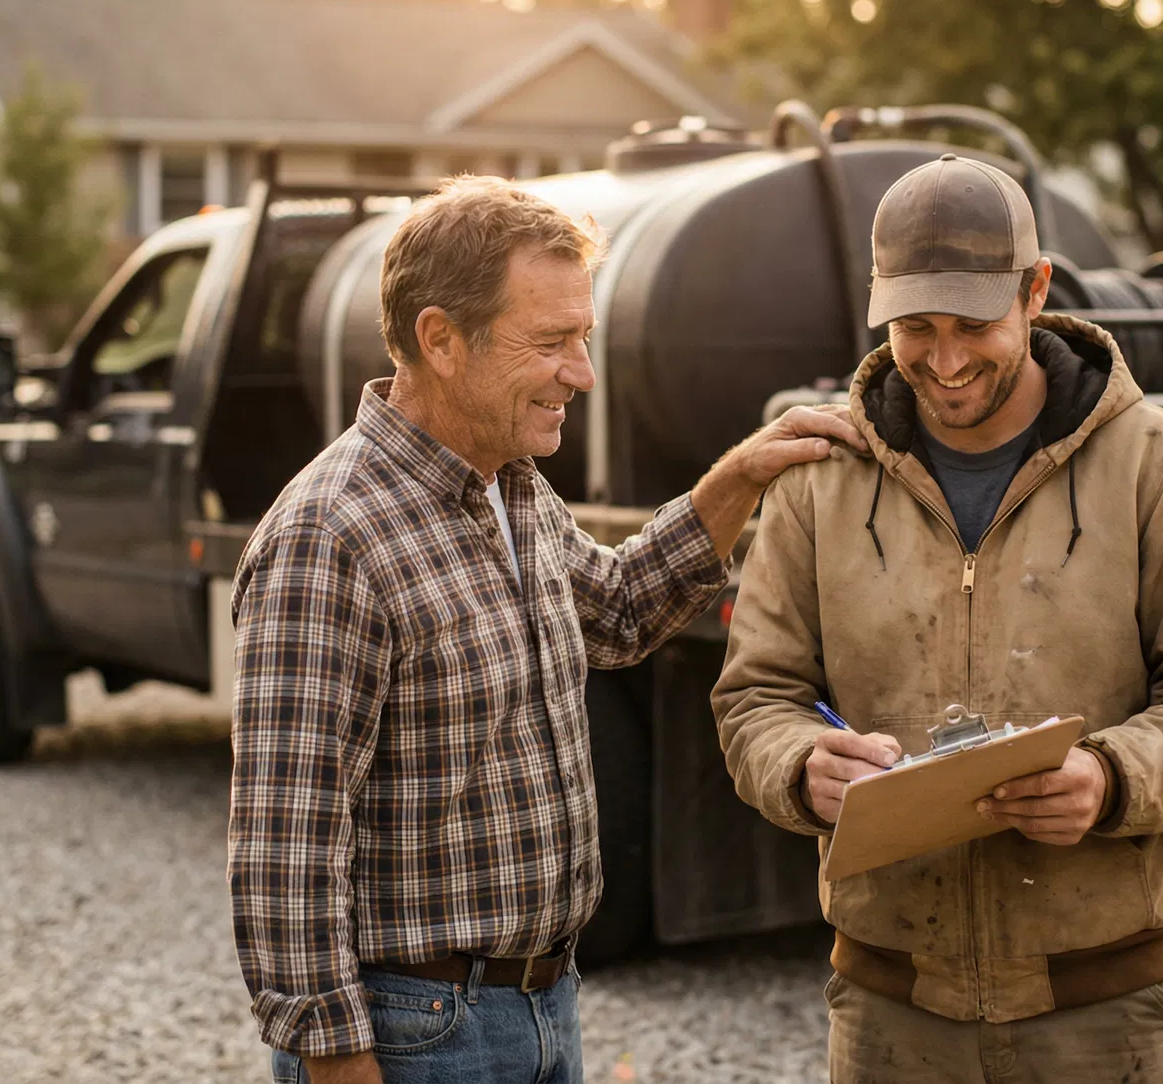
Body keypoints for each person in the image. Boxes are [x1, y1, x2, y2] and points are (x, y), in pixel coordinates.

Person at [229, 176, 862, 1084]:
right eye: (552, 342)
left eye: (586, 339)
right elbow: (284, 848)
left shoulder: (509, 482)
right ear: (440, 339)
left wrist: (739, 479)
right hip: (419, 1034)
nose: (584, 373)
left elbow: (619, 611)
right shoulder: (330, 536)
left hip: (540, 1004)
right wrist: (337, 1063)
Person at [712, 154, 1163, 1083]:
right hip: (889, 1018)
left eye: (973, 325)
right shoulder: (820, 480)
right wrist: (796, 765)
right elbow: (755, 699)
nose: (944, 361)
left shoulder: (1159, 464)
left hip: (1105, 1018)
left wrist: (1111, 779)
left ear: (1036, 289)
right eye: (914, 327)